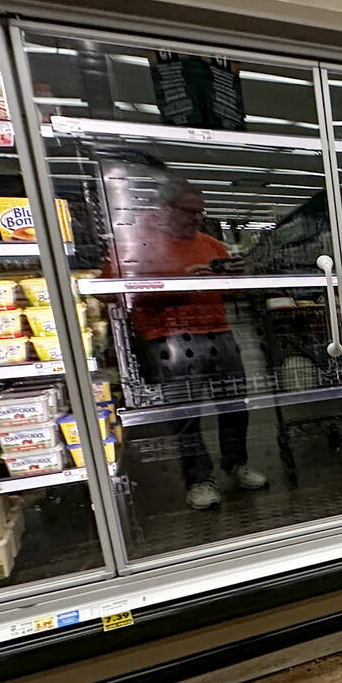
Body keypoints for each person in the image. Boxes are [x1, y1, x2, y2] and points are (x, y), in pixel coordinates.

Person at [106, 176, 268, 510]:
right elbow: (113, 293)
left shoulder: (209, 243)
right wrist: (180, 283)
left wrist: (236, 277)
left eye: (201, 212)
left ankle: (236, 464)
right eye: (190, 211)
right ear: (165, 208)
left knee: (234, 405)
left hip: (219, 332)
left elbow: (233, 292)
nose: (198, 218)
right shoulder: (135, 244)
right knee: (186, 415)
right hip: (168, 340)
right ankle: (198, 479)